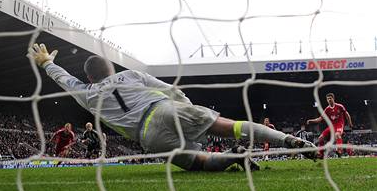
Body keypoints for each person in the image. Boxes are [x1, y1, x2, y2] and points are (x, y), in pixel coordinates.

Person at [28, 43, 316, 171]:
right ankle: (291, 141)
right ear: (111, 68)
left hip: (148, 136)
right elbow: (171, 90)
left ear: (90, 77)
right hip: (165, 107)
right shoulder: (132, 75)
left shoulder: (88, 93)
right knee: (230, 126)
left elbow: (66, 80)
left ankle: (233, 158)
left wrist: (47, 63)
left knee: (198, 164)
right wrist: (188, 110)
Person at [307, 93, 353, 158]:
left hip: (339, 125)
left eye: (330, 98)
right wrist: (311, 121)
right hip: (331, 126)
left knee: (337, 135)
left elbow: (347, 114)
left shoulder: (339, 106)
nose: (329, 100)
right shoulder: (327, 109)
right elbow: (320, 119)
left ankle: (339, 151)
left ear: (333, 99)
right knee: (320, 138)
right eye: (328, 99)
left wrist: (350, 123)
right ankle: (321, 154)